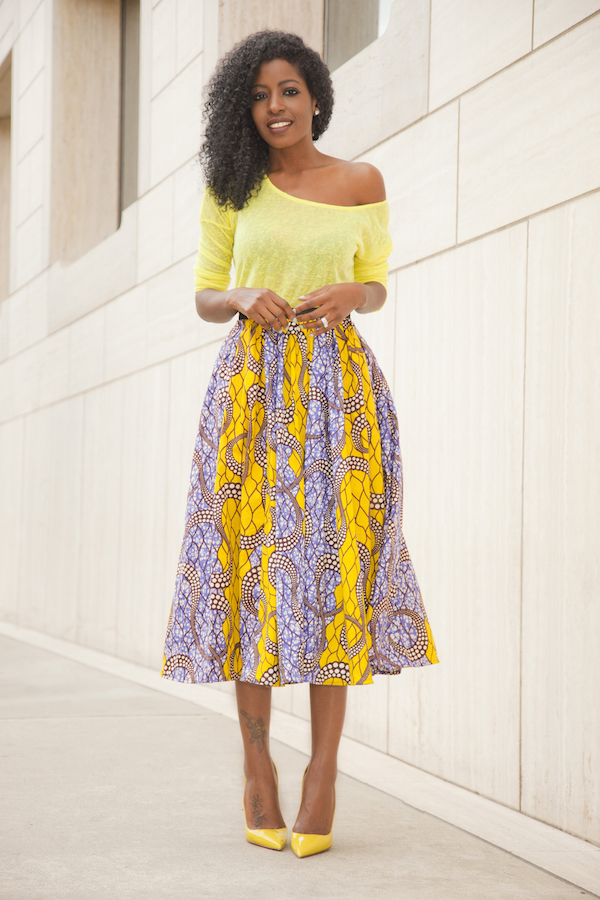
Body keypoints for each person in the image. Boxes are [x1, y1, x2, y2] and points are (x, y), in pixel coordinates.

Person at [160, 30, 439, 858]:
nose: (274, 107)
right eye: (258, 96)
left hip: (340, 399)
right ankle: (257, 767)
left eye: (287, 91)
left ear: (315, 94)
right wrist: (243, 294)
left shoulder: (361, 181)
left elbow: (378, 280)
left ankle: (322, 773)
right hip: (251, 396)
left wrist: (360, 289)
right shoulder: (231, 187)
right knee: (248, 570)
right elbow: (206, 294)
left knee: (333, 577)